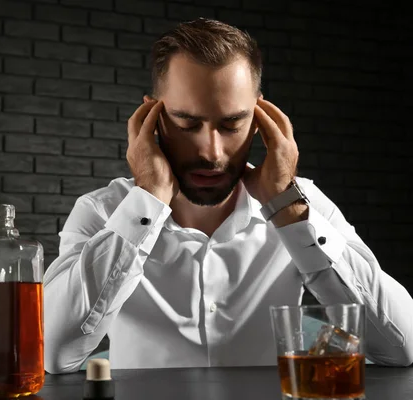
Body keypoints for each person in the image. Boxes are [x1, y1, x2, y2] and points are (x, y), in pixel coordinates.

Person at [43, 18, 413, 373]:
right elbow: (54, 354)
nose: (211, 152)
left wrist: (287, 209)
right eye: (187, 124)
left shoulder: (303, 206)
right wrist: (147, 200)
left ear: (259, 119)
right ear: (150, 118)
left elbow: (402, 347)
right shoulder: (102, 211)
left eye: (231, 124)